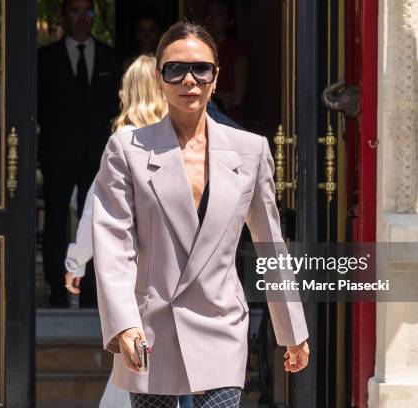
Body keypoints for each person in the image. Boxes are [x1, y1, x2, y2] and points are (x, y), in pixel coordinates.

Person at [90, 21, 309, 408]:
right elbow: (113, 246)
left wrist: (292, 329)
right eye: (175, 69)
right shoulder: (126, 151)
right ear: (159, 77)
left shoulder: (251, 150)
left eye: (201, 69)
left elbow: (270, 242)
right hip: (151, 328)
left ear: (216, 75)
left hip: (220, 323)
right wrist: (124, 323)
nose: (188, 80)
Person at [64, 54, 168, 408]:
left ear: (129, 93)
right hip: (173, 271)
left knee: (133, 367)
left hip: (133, 271)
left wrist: (76, 260)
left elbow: (98, 210)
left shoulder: (124, 141)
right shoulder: (180, 139)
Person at [37, 0, 120, 307]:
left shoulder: (111, 57)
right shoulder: (45, 59)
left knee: (98, 222)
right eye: (75, 11)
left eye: (88, 11)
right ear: (64, 16)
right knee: (56, 222)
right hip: (58, 154)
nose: (82, 18)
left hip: (99, 155)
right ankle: (57, 289)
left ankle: (91, 291)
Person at [203, 0, 248, 121]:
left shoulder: (237, 50)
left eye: (219, 15)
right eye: (209, 14)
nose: (212, 19)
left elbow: (237, 98)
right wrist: (217, 96)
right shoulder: (199, 48)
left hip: (229, 119)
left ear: (230, 21)